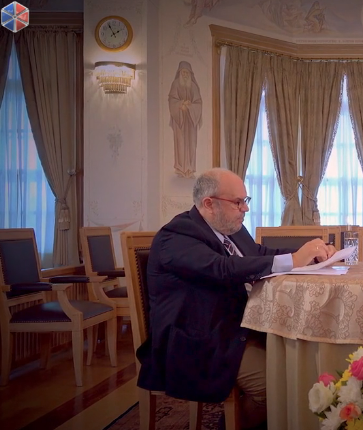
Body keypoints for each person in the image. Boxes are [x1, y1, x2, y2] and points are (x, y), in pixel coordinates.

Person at [136, 167, 336, 428]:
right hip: (200, 340)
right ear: (209, 203)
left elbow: (260, 253)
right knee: (275, 388)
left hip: (236, 326)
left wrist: (309, 254)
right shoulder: (176, 236)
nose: (245, 208)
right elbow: (222, 268)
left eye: (245, 200)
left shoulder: (231, 228)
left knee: (301, 362)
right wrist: (294, 259)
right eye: (238, 202)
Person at [168, 61, 203, 178]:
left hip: (191, 121)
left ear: (190, 73)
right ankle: (180, 168)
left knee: (192, 144)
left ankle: (190, 169)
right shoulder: (175, 84)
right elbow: (172, 100)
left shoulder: (193, 86)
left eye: (187, 72)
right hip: (180, 121)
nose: (185, 75)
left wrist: (190, 106)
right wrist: (181, 105)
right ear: (179, 72)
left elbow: (198, 103)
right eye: (183, 72)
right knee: (180, 143)